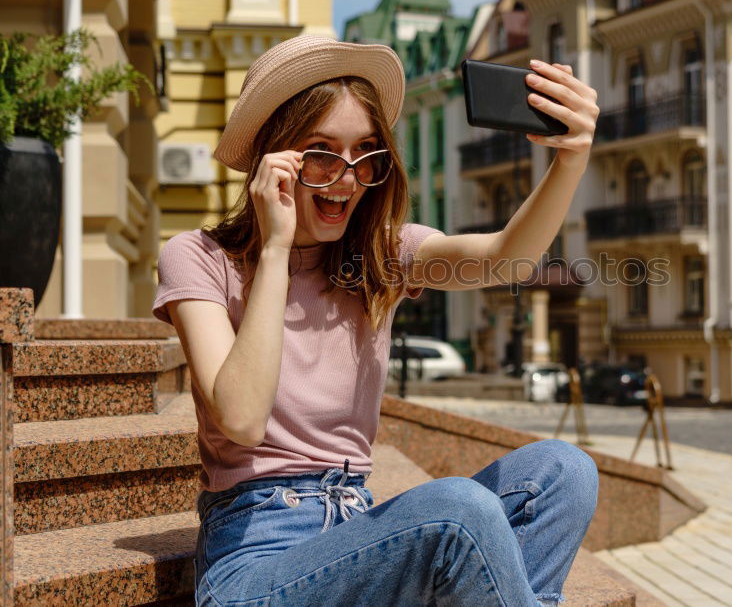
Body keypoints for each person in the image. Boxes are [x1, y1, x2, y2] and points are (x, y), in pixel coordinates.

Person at [152, 35, 601, 606]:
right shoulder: (199, 257)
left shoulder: (380, 255)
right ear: (273, 159)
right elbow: (241, 419)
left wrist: (571, 158)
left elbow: (503, 258)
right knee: (457, 511)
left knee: (562, 471)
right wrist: (274, 249)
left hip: (358, 534)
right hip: (254, 564)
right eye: (321, 153)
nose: (346, 179)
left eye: (365, 154)